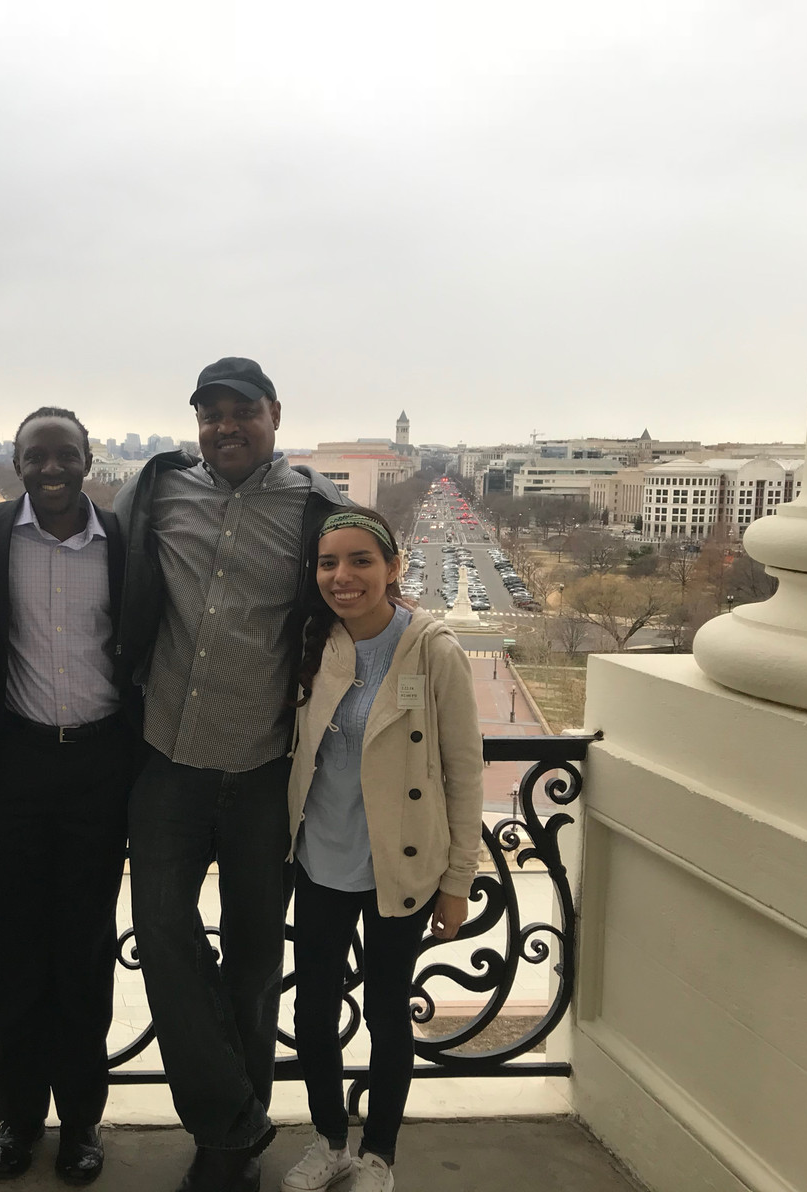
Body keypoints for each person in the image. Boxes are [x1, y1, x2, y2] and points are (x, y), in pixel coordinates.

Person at [112, 358, 351, 1192]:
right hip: (165, 761)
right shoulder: (157, 493)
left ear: (274, 415)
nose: (224, 427)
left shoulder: (318, 510)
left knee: (253, 964)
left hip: (262, 770)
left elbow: (360, 610)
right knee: (165, 938)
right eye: (209, 415)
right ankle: (235, 1116)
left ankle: (226, 1147)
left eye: (240, 411)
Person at [279, 508, 483, 1192]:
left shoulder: (433, 648)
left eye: (361, 560)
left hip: (401, 866)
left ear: (393, 569)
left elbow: (464, 770)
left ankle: (380, 1156)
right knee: (312, 1011)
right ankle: (331, 1140)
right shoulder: (315, 640)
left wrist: (458, 880)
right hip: (321, 861)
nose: (343, 576)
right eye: (329, 562)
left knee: (387, 1013)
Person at [0, 408, 137, 1185]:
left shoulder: (127, 545)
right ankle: (18, 1115)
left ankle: (79, 1120)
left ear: (89, 460)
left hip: (100, 768)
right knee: (8, 952)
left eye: (65, 454)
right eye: (35, 455)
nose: (51, 468)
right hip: (15, 768)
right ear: (15, 461)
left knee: (82, 951)